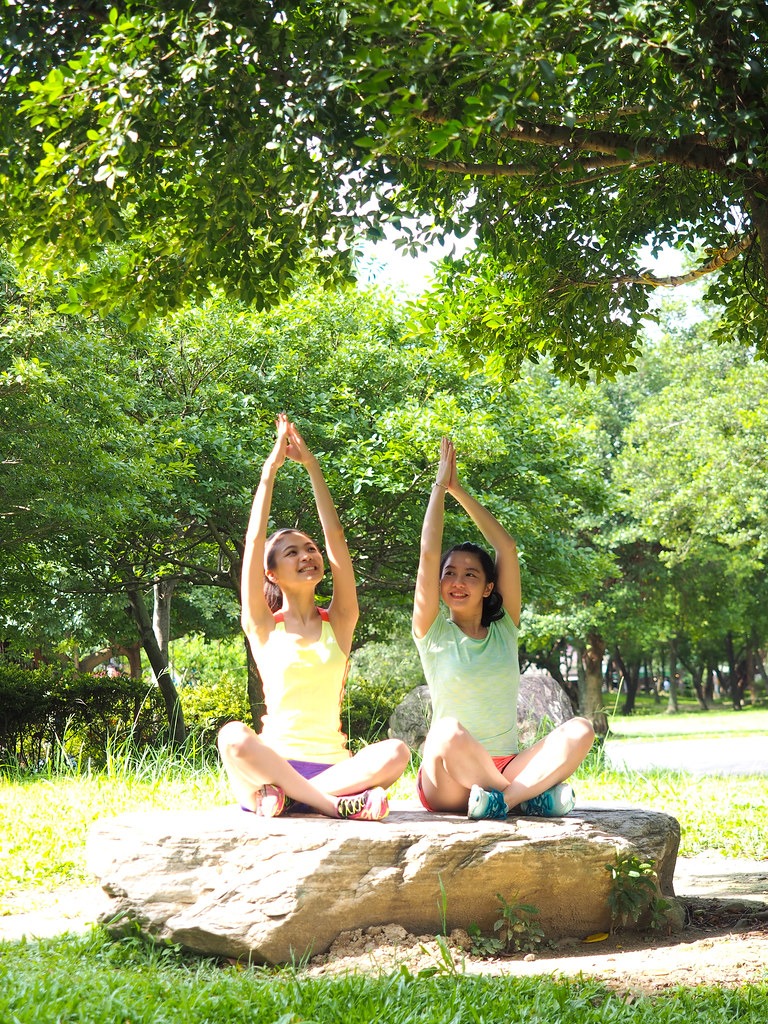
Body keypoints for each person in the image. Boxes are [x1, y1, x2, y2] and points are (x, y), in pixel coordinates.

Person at [217, 414, 410, 820]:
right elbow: (254, 542)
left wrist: (312, 468)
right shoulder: (264, 627)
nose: (307, 555)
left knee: (396, 752)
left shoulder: (338, 623)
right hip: (271, 763)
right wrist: (269, 473)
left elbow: (336, 540)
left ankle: (291, 798)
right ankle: (332, 807)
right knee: (233, 736)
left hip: (334, 769)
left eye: (309, 548)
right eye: (291, 552)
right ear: (271, 573)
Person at [412, 437, 594, 820]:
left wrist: (460, 490)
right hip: (447, 777)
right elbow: (429, 553)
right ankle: (525, 797)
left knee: (580, 730)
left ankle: (504, 802)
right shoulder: (433, 632)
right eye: (450, 574)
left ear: (488, 587)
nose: (457, 581)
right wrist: (439, 488)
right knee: (446, 730)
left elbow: (506, 548)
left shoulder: (505, 629)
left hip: (505, 767)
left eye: (470, 574)